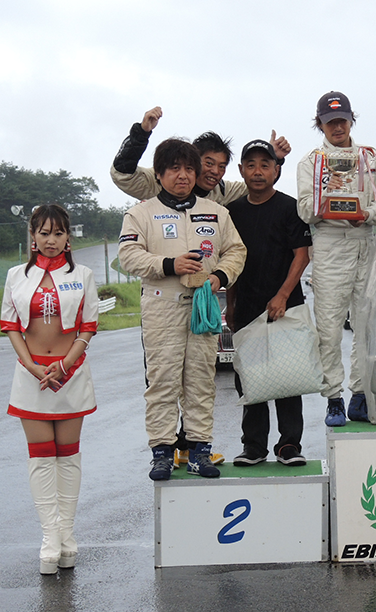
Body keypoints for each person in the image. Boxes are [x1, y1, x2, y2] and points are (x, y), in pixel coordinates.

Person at [118, 138, 246, 481]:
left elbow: (236, 251)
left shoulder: (216, 212)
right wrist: (169, 264)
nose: (183, 175)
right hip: (162, 304)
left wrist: (220, 276)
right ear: (159, 174)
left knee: (201, 380)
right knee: (163, 381)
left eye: (189, 168)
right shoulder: (140, 213)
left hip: (203, 305)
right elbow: (128, 256)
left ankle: (199, 451)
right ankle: (162, 453)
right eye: (174, 168)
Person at [2, 205, 98, 574]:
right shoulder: (16, 276)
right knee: (41, 458)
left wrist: (65, 364)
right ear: (33, 236)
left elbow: (88, 326)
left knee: (68, 456)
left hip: (70, 374)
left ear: (68, 237)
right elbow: (11, 325)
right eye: (44, 233)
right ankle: (49, 538)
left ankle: (67, 537)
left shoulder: (83, 275)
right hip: (31, 376)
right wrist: (31, 366)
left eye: (58, 233)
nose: (51, 240)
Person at [296, 91, 376, 426]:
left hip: (366, 242)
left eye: (343, 121)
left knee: (367, 326)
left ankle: (360, 395)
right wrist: (327, 198)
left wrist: (366, 214)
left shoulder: (371, 157)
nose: (337, 127)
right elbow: (304, 210)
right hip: (330, 245)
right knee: (329, 329)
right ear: (320, 124)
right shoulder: (311, 162)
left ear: (352, 120)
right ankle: (333, 398)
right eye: (330, 122)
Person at [226, 139, 311, 466]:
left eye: (265, 165)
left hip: (285, 305)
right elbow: (232, 261)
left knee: (288, 376)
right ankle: (254, 446)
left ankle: (289, 444)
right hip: (247, 305)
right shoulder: (233, 212)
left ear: (276, 170)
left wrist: (283, 295)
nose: (258, 171)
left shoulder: (290, 207)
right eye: (251, 165)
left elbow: (301, 255)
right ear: (241, 171)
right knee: (249, 377)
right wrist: (231, 304)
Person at [110, 106, 292, 205]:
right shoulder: (161, 179)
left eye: (222, 166)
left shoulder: (222, 190)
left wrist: (275, 158)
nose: (215, 171)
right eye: (209, 163)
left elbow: (257, 186)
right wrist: (142, 134)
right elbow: (122, 175)